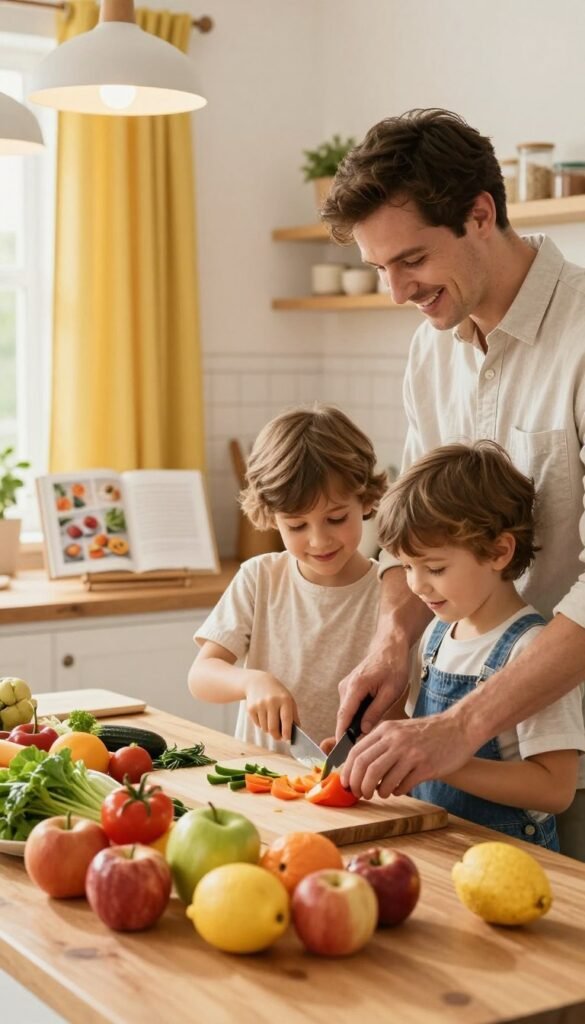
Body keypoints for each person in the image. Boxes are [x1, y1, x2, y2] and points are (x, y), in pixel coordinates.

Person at [320, 107, 585, 860]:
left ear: (479, 215)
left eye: (410, 260)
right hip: (459, 757)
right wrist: (389, 646)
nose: (397, 290)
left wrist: (461, 726)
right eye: (379, 269)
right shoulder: (429, 354)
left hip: (564, 758)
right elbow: (415, 534)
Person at [375, 439, 584, 851]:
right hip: (439, 853)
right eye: (407, 566)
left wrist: (445, 762)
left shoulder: (533, 651)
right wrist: (378, 747)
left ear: (499, 551)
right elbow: (415, 729)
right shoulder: (435, 634)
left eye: (434, 568)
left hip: (515, 867)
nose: (416, 585)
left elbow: (554, 789)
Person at [188, 404, 386, 753]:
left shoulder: (391, 593)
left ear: (366, 499)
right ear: (271, 517)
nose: (319, 540)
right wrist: (252, 682)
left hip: (353, 785)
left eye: (337, 518)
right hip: (262, 781)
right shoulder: (260, 578)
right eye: (296, 526)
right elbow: (201, 676)